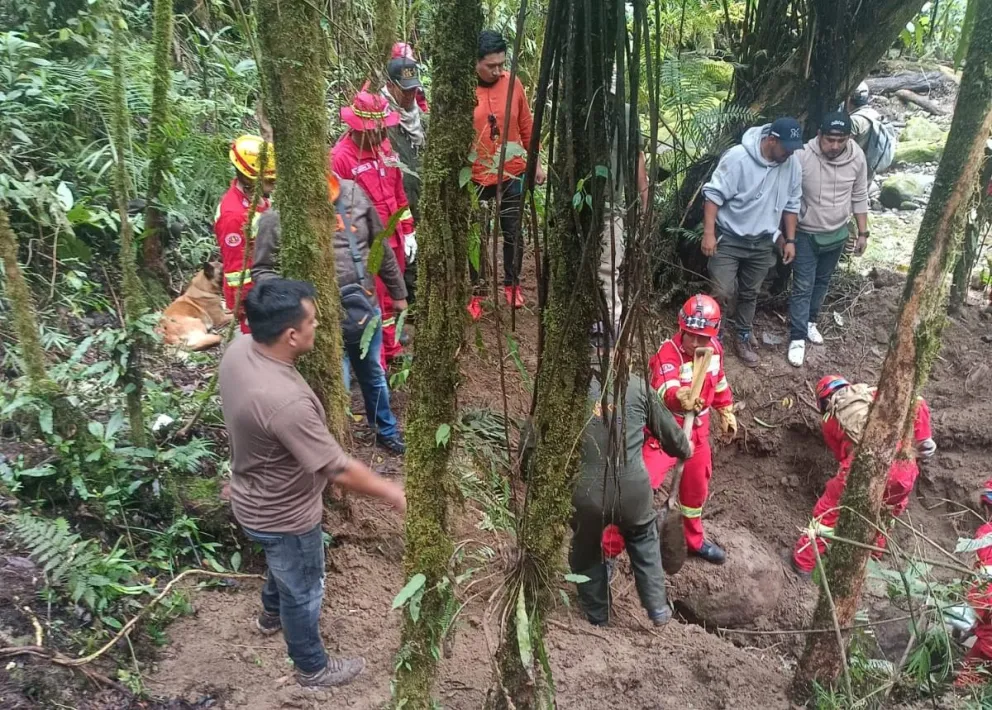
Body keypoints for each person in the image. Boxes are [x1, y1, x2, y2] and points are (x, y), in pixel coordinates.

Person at [218, 278, 406, 689]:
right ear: (290, 335)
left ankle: (269, 615)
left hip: (250, 498)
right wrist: (393, 492)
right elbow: (335, 468)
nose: (317, 327)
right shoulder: (285, 402)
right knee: (303, 589)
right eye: (314, 322)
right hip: (284, 515)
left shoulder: (237, 351)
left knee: (283, 568)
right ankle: (311, 667)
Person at [250, 176, 409, 455]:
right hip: (317, 322)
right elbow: (263, 270)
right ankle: (334, 448)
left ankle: (386, 430)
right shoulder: (276, 218)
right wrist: (290, 308)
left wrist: (398, 293)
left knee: (374, 373)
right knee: (336, 385)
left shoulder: (353, 195)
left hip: (363, 306)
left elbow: (379, 244)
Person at [565, 343, 691, 627]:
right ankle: (658, 608)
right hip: (633, 489)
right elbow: (673, 438)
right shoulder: (637, 386)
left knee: (586, 549)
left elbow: (537, 438)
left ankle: (597, 616)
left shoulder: (568, 386)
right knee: (644, 537)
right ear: (620, 351)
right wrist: (686, 448)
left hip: (586, 491)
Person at [791, 375, 936, 576]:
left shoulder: (828, 421)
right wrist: (923, 438)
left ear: (823, 401)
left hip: (862, 465)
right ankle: (873, 557)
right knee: (887, 510)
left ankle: (802, 562)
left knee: (828, 513)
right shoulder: (873, 393)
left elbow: (842, 455)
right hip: (903, 467)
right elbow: (917, 401)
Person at [642, 294, 737, 565]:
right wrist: (679, 396)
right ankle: (610, 548)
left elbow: (719, 382)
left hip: (698, 429)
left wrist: (726, 409)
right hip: (667, 430)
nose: (696, 343)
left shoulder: (714, 350)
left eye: (703, 338)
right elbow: (664, 386)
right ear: (681, 328)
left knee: (696, 489)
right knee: (642, 484)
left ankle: (692, 540)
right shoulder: (668, 352)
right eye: (691, 335)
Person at [701, 117, 803, 367]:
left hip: (762, 240)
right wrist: (709, 233)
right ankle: (714, 337)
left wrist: (789, 239)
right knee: (722, 290)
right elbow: (713, 196)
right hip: (730, 236)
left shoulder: (791, 165)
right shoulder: (738, 158)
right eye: (786, 147)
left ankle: (743, 335)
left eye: (793, 148)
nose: (790, 153)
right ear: (771, 140)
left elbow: (791, 204)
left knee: (751, 292)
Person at [331, 90, 415, 368]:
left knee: (393, 293)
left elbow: (398, 191)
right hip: (365, 243)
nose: (381, 136)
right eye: (375, 131)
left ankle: (393, 347)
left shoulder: (386, 149)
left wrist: (408, 228)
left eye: (383, 130)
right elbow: (338, 210)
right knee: (372, 301)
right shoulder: (340, 158)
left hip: (394, 237)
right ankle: (375, 359)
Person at [469, 29, 545, 318]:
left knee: (513, 231)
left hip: (511, 172)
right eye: (491, 66)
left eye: (501, 64)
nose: (498, 71)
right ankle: (477, 291)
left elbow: (526, 125)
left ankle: (512, 284)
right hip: (476, 175)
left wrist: (535, 163)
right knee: (476, 236)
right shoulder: (464, 89)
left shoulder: (513, 84)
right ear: (476, 63)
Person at [787, 112, 870, 367]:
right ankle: (797, 336)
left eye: (841, 140)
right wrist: (787, 236)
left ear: (849, 138)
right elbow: (789, 197)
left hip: (837, 232)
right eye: (830, 139)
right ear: (819, 135)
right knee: (803, 284)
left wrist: (862, 232)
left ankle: (811, 322)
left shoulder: (857, 157)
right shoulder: (801, 155)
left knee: (822, 282)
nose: (835, 146)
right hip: (806, 232)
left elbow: (860, 194)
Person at [214, 135, 275, 332]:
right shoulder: (233, 215)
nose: (273, 183)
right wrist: (245, 307)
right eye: (269, 179)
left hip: (268, 284)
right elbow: (236, 269)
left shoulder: (257, 198)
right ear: (250, 178)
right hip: (254, 297)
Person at [382, 53, 427, 304]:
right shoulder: (379, 122)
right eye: (404, 90)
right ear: (389, 86)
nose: (410, 95)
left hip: (420, 200)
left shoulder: (420, 120)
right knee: (403, 256)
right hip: (395, 204)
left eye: (413, 90)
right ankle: (409, 305)